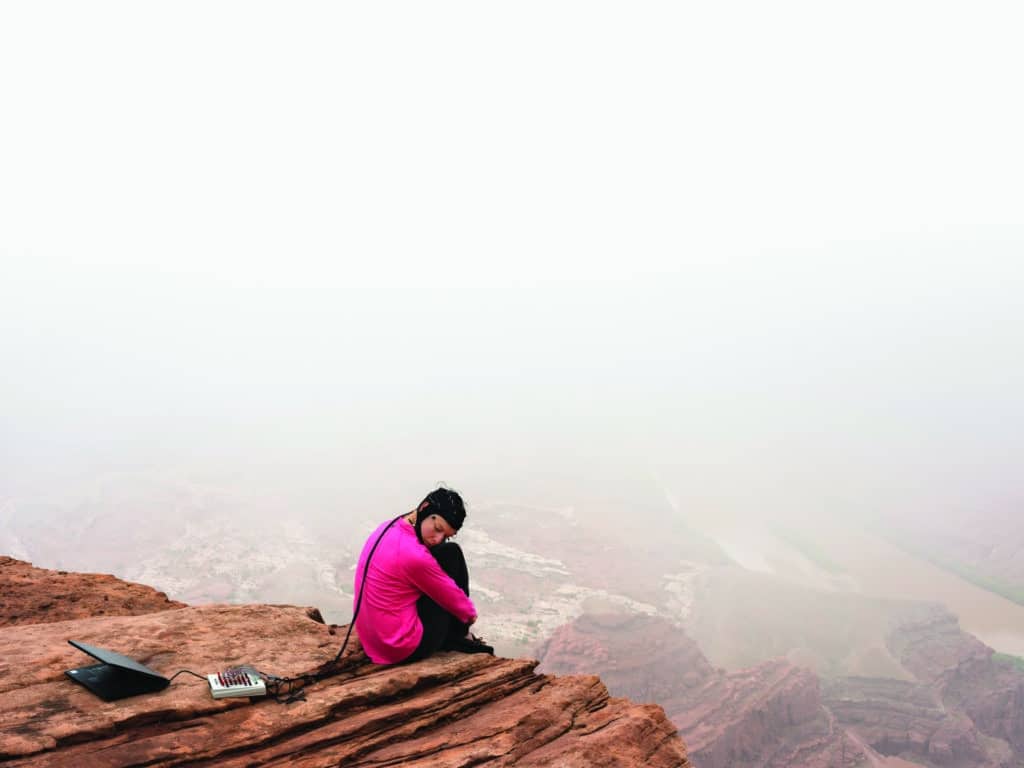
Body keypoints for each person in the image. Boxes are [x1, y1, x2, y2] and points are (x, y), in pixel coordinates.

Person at [353, 487, 493, 664]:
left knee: (444, 551)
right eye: (437, 528)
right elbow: (453, 599)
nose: (437, 538)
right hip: (400, 647)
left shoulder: (387, 527)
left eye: (446, 536)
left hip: (372, 640)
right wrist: (469, 616)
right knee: (451, 552)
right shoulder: (414, 555)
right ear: (425, 507)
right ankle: (460, 634)